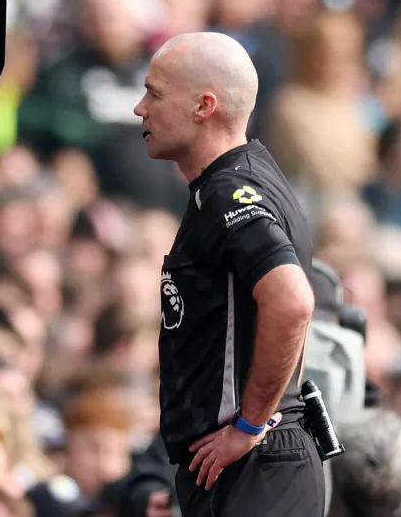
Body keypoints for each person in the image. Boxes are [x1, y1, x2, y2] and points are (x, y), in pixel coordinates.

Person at [133, 32, 322, 516]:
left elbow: (292, 301)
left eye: (154, 93)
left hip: (256, 463)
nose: (139, 108)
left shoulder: (230, 192)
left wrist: (250, 426)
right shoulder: (236, 180)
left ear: (204, 106)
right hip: (242, 467)